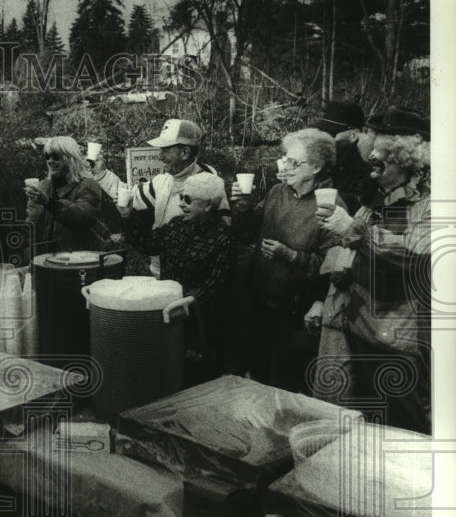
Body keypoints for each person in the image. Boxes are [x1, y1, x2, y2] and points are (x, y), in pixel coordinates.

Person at [316, 111, 431, 434]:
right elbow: (352, 251)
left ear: (405, 157)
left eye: (382, 151)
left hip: (399, 343)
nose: (373, 156)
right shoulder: (374, 196)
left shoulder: (432, 203)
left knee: (406, 431)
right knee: (369, 428)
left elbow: (417, 258)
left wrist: (354, 231)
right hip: (360, 331)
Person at [231, 128, 345, 394]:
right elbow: (245, 233)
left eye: (294, 162)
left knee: (287, 386)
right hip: (261, 305)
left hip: (297, 313)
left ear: (316, 167)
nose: (285, 166)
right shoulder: (277, 192)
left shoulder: (332, 204)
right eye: (286, 159)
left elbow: (334, 267)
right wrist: (242, 206)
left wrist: (290, 256)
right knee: (257, 379)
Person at [121, 171, 236, 382]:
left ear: (209, 205)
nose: (181, 204)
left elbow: (217, 279)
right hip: (168, 308)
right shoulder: (176, 224)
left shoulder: (223, 237)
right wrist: (128, 218)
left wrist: (190, 300)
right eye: (181, 197)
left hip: (200, 317)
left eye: (188, 200)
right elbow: (148, 244)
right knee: (166, 367)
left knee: (195, 374)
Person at [122, 118, 229, 278]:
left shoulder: (208, 183)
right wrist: (101, 174)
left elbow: (223, 234)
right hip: (160, 270)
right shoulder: (163, 180)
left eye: (165, 150)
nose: (160, 156)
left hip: (191, 280)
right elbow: (130, 195)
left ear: (184, 152)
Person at [24, 136, 107, 254]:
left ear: (70, 159)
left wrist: (48, 203)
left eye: (56, 157)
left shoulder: (87, 185)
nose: (50, 161)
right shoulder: (43, 187)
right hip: (45, 262)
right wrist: (30, 261)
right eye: (47, 156)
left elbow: (80, 216)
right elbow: (30, 230)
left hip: (77, 261)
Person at [312, 100, 374, 215]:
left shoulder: (366, 176)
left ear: (353, 135)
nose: (324, 140)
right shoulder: (321, 164)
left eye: (331, 134)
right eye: (321, 133)